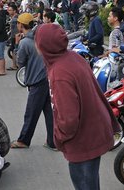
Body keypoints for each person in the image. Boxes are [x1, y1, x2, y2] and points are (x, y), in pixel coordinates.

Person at [35, 23, 119, 190]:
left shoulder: (60, 73)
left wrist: (58, 138)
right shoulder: (72, 57)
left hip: (83, 139)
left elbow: (69, 118)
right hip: (95, 130)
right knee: (91, 182)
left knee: (85, 184)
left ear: (44, 45)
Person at [11, 13, 56, 151]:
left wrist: (17, 45)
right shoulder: (39, 37)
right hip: (46, 78)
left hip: (37, 81)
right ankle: (53, 142)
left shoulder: (24, 42)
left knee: (31, 113)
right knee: (49, 112)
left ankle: (24, 140)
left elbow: (20, 63)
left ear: (20, 25)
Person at [7, 4, 19, 70]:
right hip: (15, 37)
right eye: (8, 10)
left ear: (14, 11)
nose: (9, 11)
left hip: (15, 37)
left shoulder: (15, 19)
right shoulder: (15, 17)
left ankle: (14, 65)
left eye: (10, 10)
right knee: (14, 50)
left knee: (14, 51)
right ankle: (15, 65)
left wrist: (12, 38)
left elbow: (15, 31)